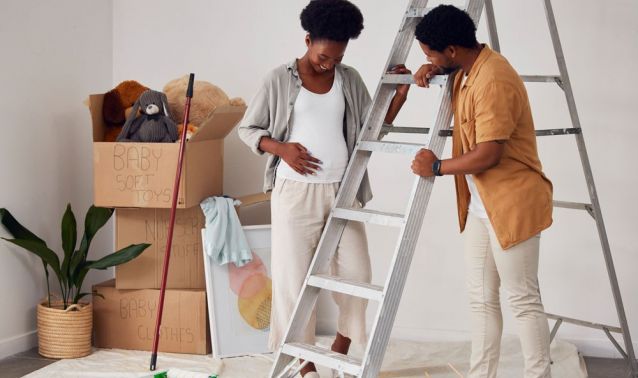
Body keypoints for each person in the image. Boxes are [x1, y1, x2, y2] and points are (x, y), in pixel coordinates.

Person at [237, 0, 409, 376]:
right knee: (294, 282)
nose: (329, 63)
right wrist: (281, 148)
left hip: (344, 192)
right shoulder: (278, 79)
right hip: (295, 193)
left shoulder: (349, 78)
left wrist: (399, 95)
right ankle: (305, 363)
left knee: (358, 275)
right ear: (308, 39)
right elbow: (247, 130)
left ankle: (340, 347)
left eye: (338, 56)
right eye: (323, 55)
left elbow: (371, 128)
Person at [408, 5, 553, 378]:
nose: (427, 60)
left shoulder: (494, 79)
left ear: (453, 49)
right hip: (481, 205)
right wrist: (434, 68)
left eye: (430, 53)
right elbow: (450, 65)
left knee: (522, 299)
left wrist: (437, 167)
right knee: (482, 299)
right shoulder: (467, 69)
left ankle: (540, 374)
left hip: (512, 202)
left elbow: (489, 153)